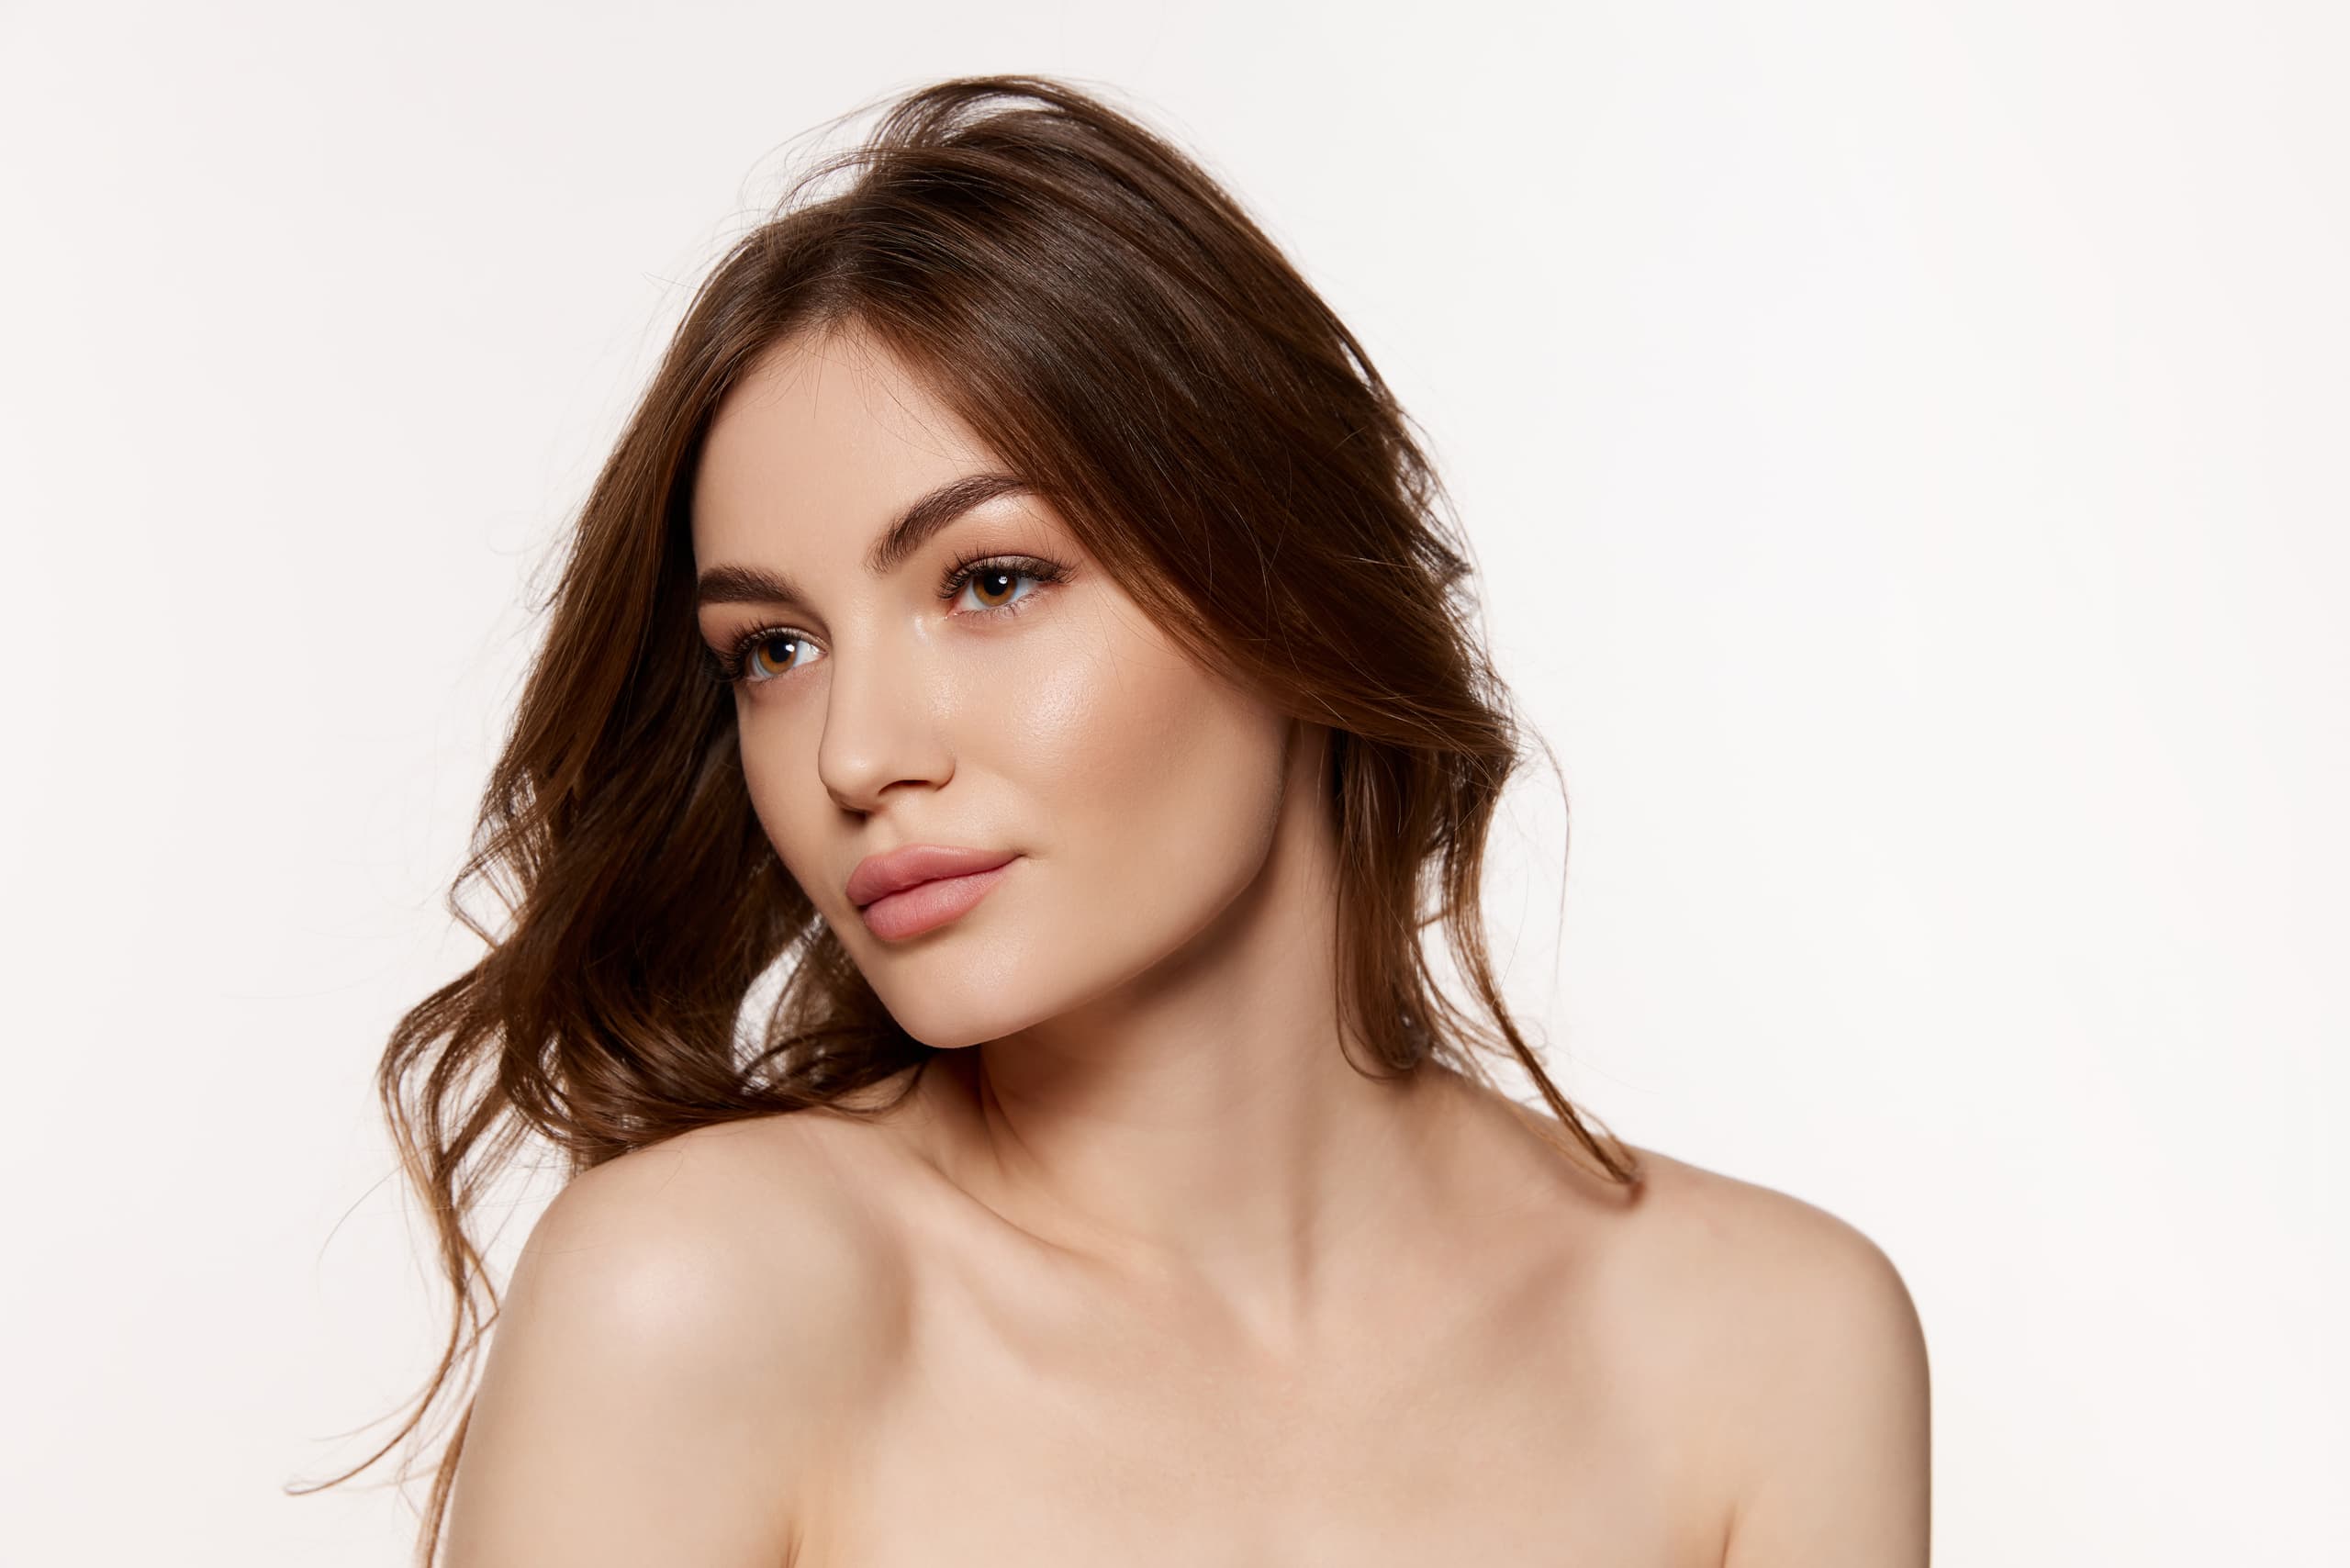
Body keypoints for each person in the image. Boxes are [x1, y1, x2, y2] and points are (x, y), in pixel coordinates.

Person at [324, 73, 1929, 1566]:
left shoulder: (1765, 1346)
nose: (855, 755)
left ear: (1286, 577)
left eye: (994, 581)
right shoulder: (699, 1302)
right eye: (775, 651)